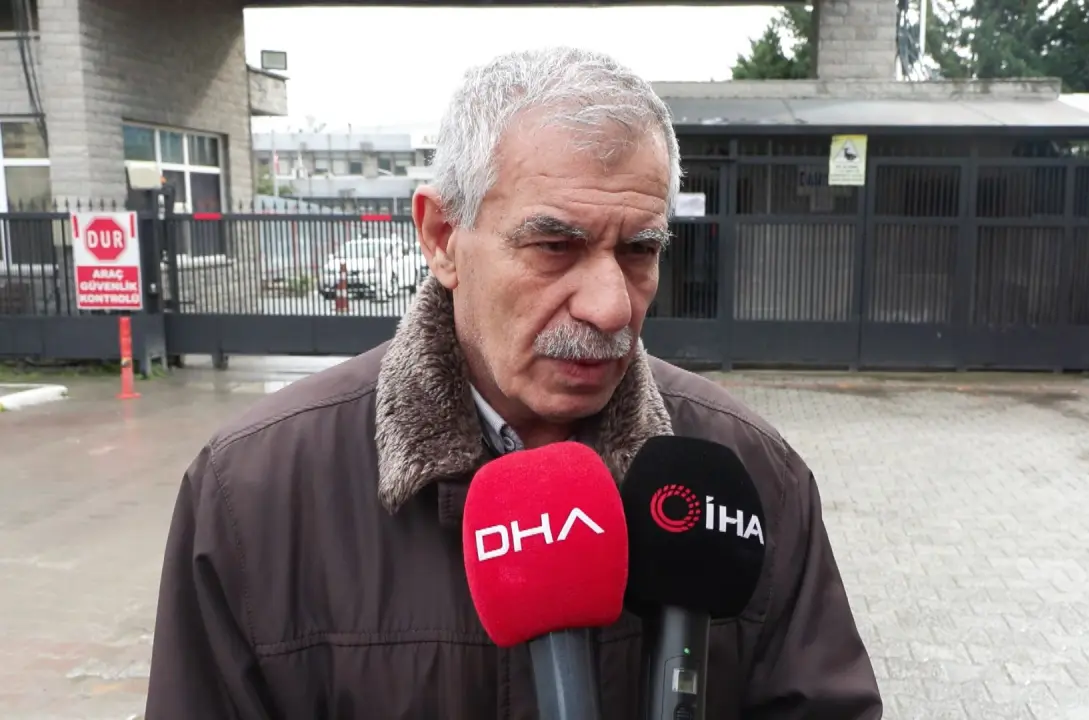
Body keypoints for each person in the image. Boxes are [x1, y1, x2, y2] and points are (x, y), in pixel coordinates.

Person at [145, 46, 883, 719]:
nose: (611, 307)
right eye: (555, 246)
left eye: (639, 250)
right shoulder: (254, 492)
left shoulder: (750, 475)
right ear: (442, 238)